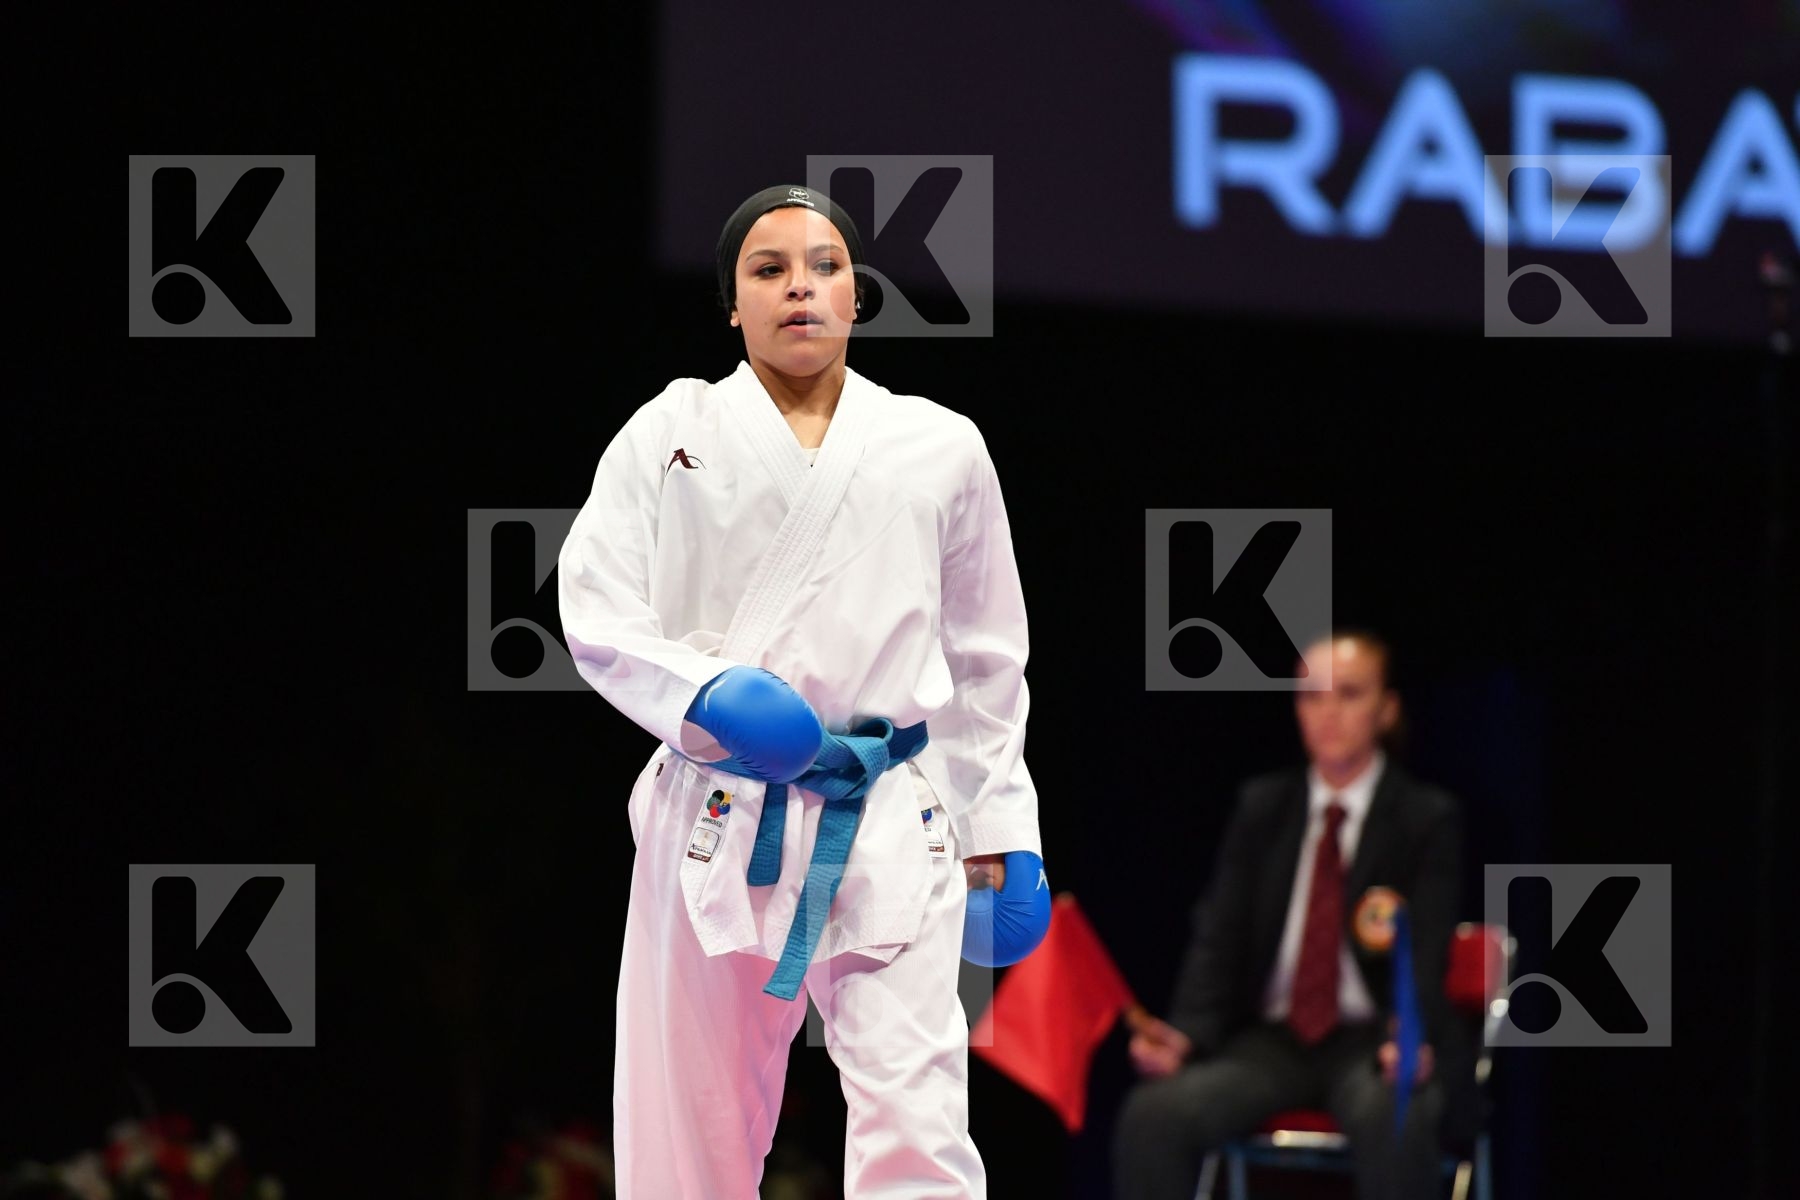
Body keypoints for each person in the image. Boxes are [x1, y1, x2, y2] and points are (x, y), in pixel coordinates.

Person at [557, 183, 1049, 1199]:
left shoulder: (941, 444)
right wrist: (709, 694)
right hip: (721, 807)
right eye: (768, 270)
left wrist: (1002, 826)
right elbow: (595, 609)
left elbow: (987, 656)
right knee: (686, 1137)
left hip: (890, 811)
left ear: (858, 296)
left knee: (921, 1124)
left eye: (823, 268)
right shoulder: (671, 429)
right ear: (731, 305)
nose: (799, 289)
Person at [1112, 631, 1463, 1200]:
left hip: (1371, 1041)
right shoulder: (1263, 808)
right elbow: (1219, 935)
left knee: (1396, 1115)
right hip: (1272, 1043)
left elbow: (1428, 944)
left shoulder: (1425, 819)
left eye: (1348, 694)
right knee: (1154, 1115)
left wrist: (1411, 1035)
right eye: (1311, 696)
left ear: (1386, 708)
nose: (1328, 713)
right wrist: (1188, 1034)